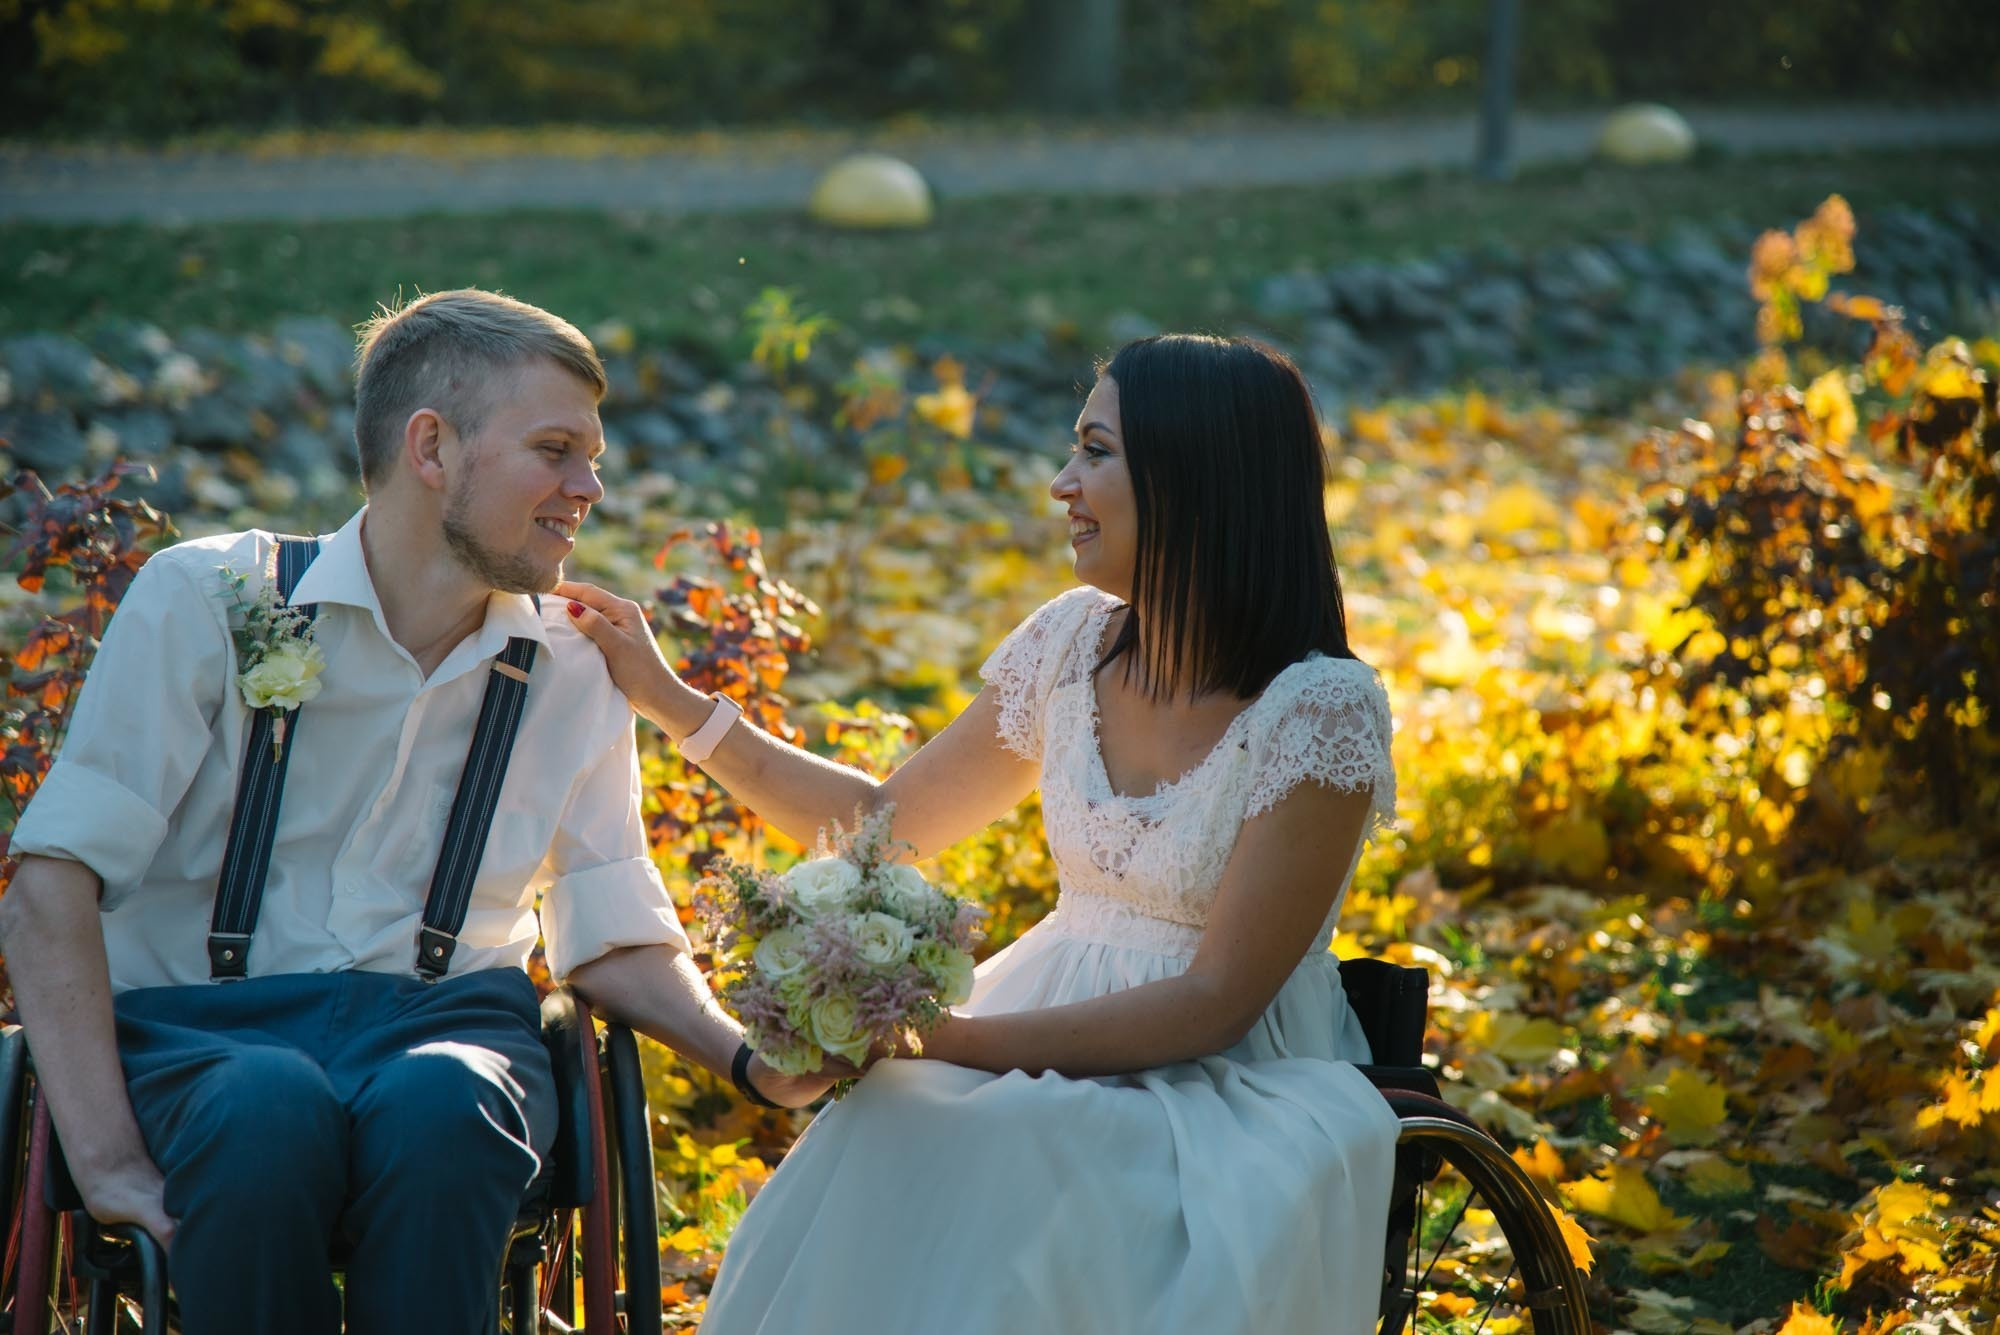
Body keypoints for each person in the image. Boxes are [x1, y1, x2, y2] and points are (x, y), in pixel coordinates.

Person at [0, 289, 834, 1335]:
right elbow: (50, 886)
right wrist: (107, 1156)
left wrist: (754, 1066)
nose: (590, 488)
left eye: (595, 458)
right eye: (555, 449)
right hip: (200, 1039)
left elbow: (608, 930)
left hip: (448, 1035)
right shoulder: (209, 598)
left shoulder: (574, 665)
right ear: (430, 447)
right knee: (267, 1107)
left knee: (443, 1102)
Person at [560, 333, 1402, 1334]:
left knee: (1004, 1136)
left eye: (1094, 452)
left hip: (1224, 1084)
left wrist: (947, 1040)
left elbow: (1215, 1002)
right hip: (1050, 1015)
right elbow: (881, 825)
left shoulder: (1318, 709)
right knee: (900, 1122)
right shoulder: (1070, 644)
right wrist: (673, 702)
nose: (1060, 483)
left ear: (1191, 476)